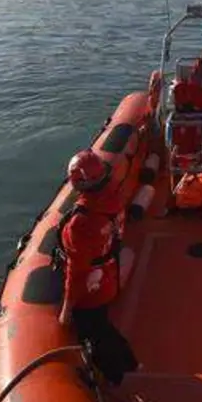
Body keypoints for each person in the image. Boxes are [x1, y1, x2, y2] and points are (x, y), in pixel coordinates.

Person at [55, 149, 139, 386]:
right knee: (104, 326)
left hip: (91, 290)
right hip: (110, 275)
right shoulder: (114, 199)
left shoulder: (80, 224)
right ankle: (131, 362)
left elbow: (76, 270)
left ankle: (118, 379)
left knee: (95, 333)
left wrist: (67, 309)